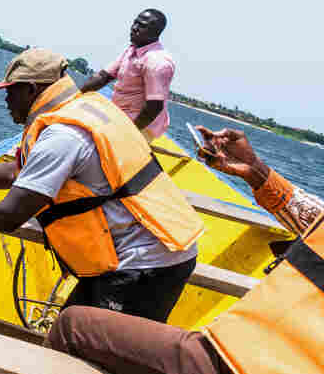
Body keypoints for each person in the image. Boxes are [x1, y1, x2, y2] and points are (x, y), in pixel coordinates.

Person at [0, 48, 204, 323]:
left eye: (10, 92)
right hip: (161, 249)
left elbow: (7, 215)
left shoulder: (63, 136)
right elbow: (16, 174)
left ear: (31, 89)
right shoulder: (84, 108)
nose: (6, 101)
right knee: (69, 334)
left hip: (143, 265)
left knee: (86, 349)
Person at [43, 126, 324, 374]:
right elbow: (310, 216)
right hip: (239, 349)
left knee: (73, 326)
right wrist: (253, 169)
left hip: (235, 360)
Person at [80, 9, 174, 142]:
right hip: (120, 115)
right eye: (135, 23)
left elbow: (154, 106)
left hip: (140, 126)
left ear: (155, 31)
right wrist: (75, 96)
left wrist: (129, 135)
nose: (134, 28)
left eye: (142, 26)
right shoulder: (132, 49)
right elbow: (103, 77)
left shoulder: (157, 61)